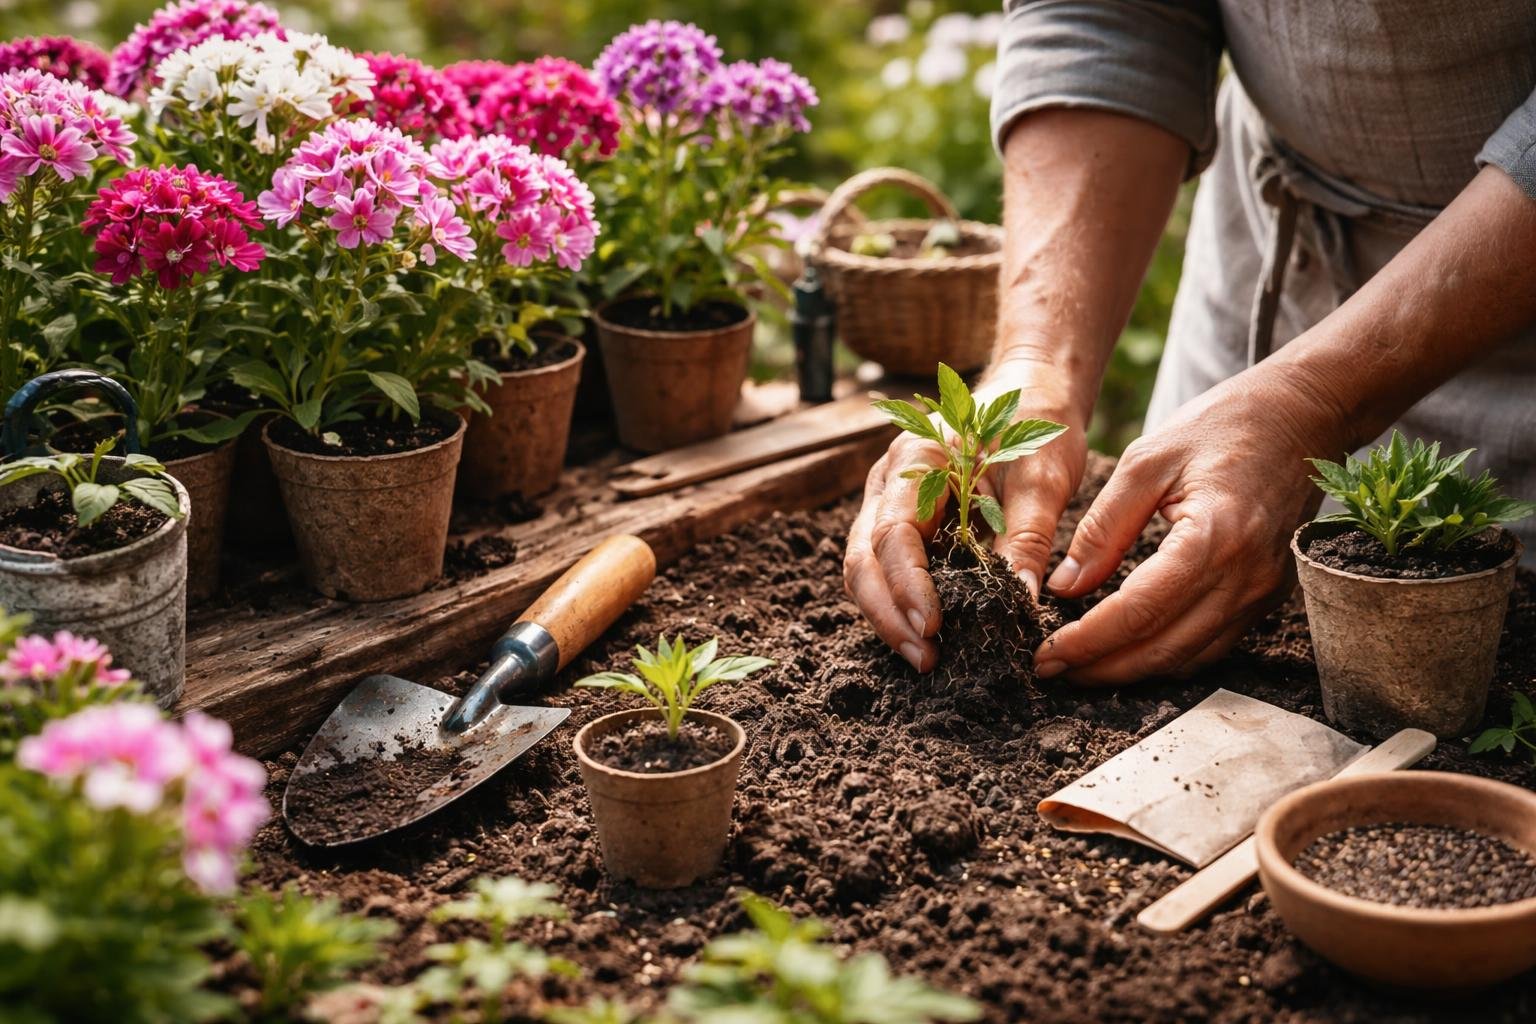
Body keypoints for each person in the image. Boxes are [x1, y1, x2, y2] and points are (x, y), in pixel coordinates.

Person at [843, 1, 1536, 683]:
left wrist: (1316, 395)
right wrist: (1040, 360)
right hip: (1284, 234)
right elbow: (1108, 15)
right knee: (1176, 564)